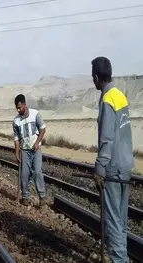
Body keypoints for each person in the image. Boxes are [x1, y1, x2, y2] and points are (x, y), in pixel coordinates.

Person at [91, 56, 134, 263]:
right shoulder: (120, 95)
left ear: (97, 77)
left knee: (113, 223)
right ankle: (123, 257)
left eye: (93, 77)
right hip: (126, 164)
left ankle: (119, 260)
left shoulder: (107, 99)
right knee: (122, 221)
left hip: (113, 168)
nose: (93, 81)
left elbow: (107, 139)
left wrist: (100, 167)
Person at [12, 94, 47, 207]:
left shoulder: (35, 114)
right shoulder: (16, 121)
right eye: (17, 108)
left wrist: (37, 142)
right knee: (24, 174)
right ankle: (25, 197)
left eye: (20, 107)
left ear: (25, 105)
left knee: (37, 172)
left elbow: (43, 129)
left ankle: (42, 197)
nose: (18, 110)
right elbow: (17, 139)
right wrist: (16, 152)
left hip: (35, 150)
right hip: (25, 151)